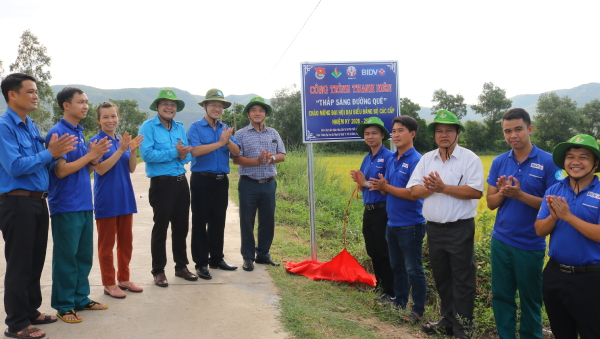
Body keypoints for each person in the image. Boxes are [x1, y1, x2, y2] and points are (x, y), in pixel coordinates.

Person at [0, 74, 77, 338]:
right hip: (16, 201)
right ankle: (17, 323)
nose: (36, 96)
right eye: (31, 91)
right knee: (19, 263)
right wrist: (50, 153)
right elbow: (15, 166)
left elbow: (39, 162)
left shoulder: (30, 124)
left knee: (35, 261)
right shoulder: (4, 126)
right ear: (13, 94)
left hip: (37, 200)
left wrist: (53, 154)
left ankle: (31, 310)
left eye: (36, 91)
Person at [407, 109, 484, 339]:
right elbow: (414, 191)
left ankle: (463, 329)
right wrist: (431, 188)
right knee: (442, 277)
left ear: (457, 133)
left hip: (460, 228)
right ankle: (448, 320)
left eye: (449, 130)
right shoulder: (426, 159)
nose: (444, 135)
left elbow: (476, 191)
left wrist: (443, 188)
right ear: (434, 135)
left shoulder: (470, 159)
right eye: (439, 131)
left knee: (463, 280)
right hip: (434, 229)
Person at [486, 108, 561, 339]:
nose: (512, 135)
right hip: (501, 241)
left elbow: (555, 206)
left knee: (531, 301)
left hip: (530, 244)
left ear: (529, 129)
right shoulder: (499, 161)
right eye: (507, 131)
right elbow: (490, 202)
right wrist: (503, 193)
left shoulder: (549, 162)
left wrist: (520, 195)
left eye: (518, 129)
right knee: (501, 296)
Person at [47, 87, 110, 323]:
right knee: (66, 258)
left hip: (84, 203)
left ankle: (80, 299)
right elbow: (61, 171)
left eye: (86, 102)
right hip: (66, 205)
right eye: (80, 102)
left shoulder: (79, 131)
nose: (85, 106)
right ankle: (64, 305)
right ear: (66, 105)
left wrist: (93, 158)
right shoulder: (58, 133)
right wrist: (89, 156)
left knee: (83, 256)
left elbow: (86, 168)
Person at [535, 134, 600, 339]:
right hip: (555, 274)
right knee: (561, 332)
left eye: (583, 157)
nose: (575, 162)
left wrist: (568, 217)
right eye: (570, 156)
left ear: (595, 163)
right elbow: (539, 230)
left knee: (592, 332)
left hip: (591, 278)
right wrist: (554, 217)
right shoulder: (554, 190)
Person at [369, 116, 426, 323]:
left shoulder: (417, 160)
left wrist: (386, 187)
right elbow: (389, 191)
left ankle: (418, 310)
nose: (395, 135)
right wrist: (381, 186)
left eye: (400, 130)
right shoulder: (393, 159)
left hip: (411, 224)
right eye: (393, 131)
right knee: (397, 267)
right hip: (392, 223)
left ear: (412, 134)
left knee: (414, 269)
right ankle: (399, 301)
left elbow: (413, 194)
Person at [138, 89, 196, 287]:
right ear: (157, 106)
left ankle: (181, 267)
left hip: (181, 182)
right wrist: (175, 152)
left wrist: (182, 154)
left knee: (181, 227)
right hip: (162, 184)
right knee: (161, 228)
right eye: (165, 104)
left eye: (172, 105)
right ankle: (159, 271)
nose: (169, 107)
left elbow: (187, 154)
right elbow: (147, 155)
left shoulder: (180, 127)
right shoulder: (148, 127)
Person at [90, 102, 144, 298]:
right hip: (107, 199)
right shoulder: (96, 142)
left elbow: (130, 169)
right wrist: (121, 150)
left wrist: (132, 150)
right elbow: (101, 169)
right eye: (105, 117)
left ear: (118, 118)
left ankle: (124, 279)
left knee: (126, 242)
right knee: (106, 245)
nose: (110, 120)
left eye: (113, 116)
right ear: (98, 120)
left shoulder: (121, 140)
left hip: (125, 197)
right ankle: (109, 283)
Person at [187, 89, 240, 280]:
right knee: (200, 222)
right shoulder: (195, 127)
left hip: (220, 181)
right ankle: (201, 263)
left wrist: (227, 142)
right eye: (213, 105)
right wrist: (219, 143)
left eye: (220, 106)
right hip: (201, 180)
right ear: (205, 106)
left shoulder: (225, 128)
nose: (217, 108)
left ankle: (216, 258)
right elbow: (194, 151)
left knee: (218, 221)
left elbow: (236, 151)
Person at [232, 96, 286, 271]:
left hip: (269, 183)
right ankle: (248, 257)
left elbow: (282, 155)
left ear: (265, 114)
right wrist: (257, 161)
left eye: (261, 110)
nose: (257, 113)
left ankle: (263, 254)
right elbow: (236, 159)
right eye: (254, 110)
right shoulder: (240, 134)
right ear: (248, 114)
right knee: (247, 221)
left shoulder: (273, 133)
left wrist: (272, 158)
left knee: (267, 220)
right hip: (249, 183)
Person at [349, 117, 395, 304]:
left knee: (384, 251)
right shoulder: (367, 158)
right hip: (368, 210)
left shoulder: (390, 157)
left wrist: (364, 182)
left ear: (382, 135)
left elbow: (390, 185)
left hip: (383, 210)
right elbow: (363, 186)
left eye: (374, 133)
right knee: (373, 250)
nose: (370, 136)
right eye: (367, 133)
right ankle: (379, 286)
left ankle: (391, 292)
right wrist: (360, 182)